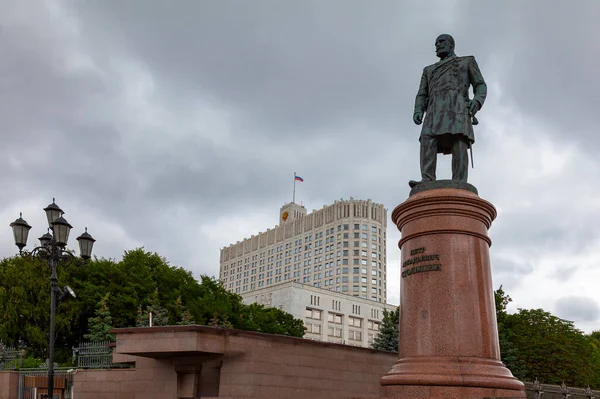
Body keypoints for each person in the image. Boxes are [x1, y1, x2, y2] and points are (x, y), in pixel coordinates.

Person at [409, 34, 487, 188]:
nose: (437, 45)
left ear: (451, 44)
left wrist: (477, 101)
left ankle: (459, 180)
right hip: (433, 110)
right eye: (436, 43)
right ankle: (427, 178)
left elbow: (480, 85)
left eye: (441, 42)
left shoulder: (466, 61)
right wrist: (418, 109)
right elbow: (422, 93)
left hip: (457, 108)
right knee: (427, 139)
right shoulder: (428, 70)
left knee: (459, 140)